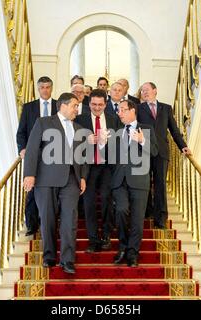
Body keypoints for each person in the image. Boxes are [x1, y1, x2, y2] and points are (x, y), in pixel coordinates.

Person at [23, 93, 88, 274]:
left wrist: (82, 176)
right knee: (48, 218)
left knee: (70, 220)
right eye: (75, 105)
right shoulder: (43, 123)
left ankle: (67, 260)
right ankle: (49, 256)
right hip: (45, 179)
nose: (77, 109)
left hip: (71, 180)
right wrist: (29, 174)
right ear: (63, 106)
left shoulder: (79, 128)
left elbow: (82, 157)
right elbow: (32, 150)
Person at [109, 99, 158, 267]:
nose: (119, 113)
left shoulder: (146, 129)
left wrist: (142, 141)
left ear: (132, 111)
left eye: (123, 110)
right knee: (121, 210)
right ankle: (122, 246)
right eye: (119, 110)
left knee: (137, 220)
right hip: (119, 180)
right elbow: (109, 156)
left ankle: (132, 253)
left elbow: (155, 152)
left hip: (139, 181)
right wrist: (101, 143)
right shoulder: (116, 131)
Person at [137, 82, 192, 229]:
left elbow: (174, 129)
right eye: (142, 91)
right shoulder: (138, 108)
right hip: (144, 151)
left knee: (160, 184)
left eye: (147, 90)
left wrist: (183, 146)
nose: (144, 93)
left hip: (161, 152)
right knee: (145, 183)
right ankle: (147, 212)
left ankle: (160, 218)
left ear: (155, 90)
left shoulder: (166, 108)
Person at [75, 89, 120, 253]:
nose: (97, 107)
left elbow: (120, 145)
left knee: (108, 199)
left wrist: (111, 142)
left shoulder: (114, 120)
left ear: (105, 104)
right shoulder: (80, 120)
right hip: (88, 167)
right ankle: (93, 240)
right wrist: (86, 140)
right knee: (89, 203)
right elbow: (72, 143)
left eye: (100, 104)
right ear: (89, 103)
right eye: (93, 104)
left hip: (108, 166)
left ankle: (107, 236)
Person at [16, 76, 57, 236]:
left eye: (48, 87)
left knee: (51, 191)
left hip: (53, 156)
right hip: (34, 156)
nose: (45, 90)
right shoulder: (28, 108)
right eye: (42, 87)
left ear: (51, 88)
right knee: (32, 191)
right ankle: (32, 225)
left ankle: (51, 224)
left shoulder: (58, 106)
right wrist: (23, 149)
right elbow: (21, 132)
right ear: (38, 89)